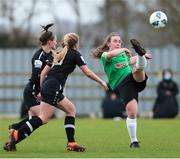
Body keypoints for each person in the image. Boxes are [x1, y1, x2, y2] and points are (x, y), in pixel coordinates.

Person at [4, 33, 108, 152]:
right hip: (53, 87)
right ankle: (16, 136)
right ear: (76, 44)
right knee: (43, 118)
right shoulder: (75, 54)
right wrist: (101, 82)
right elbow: (87, 72)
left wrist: (42, 89)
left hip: (49, 86)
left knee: (71, 110)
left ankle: (71, 143)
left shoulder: (58, 52)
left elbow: (43, 73)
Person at [92, 32, 152, 148]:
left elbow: (130, 61)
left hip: (133, 80)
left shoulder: (123, 55)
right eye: (115, 41)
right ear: (109, 43)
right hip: (122, 84)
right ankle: (134, 141)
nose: (118, 43)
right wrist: (124, 49)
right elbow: (111, 55)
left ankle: (140, 54)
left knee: (137, 69)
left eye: (119, 41)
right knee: (132, 112)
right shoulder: (105, 55)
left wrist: (143, 56)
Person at [3, 24, 57, 151]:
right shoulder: (38, 57)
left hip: (38, 91)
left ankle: (14, 129)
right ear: (49, 42)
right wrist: (39, 92)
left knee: (35, 119)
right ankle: (14, 136)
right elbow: (37, 76)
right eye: (54, 40)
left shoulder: (50, 55)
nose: (56, 42)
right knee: (44, 117)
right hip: (32, 91)